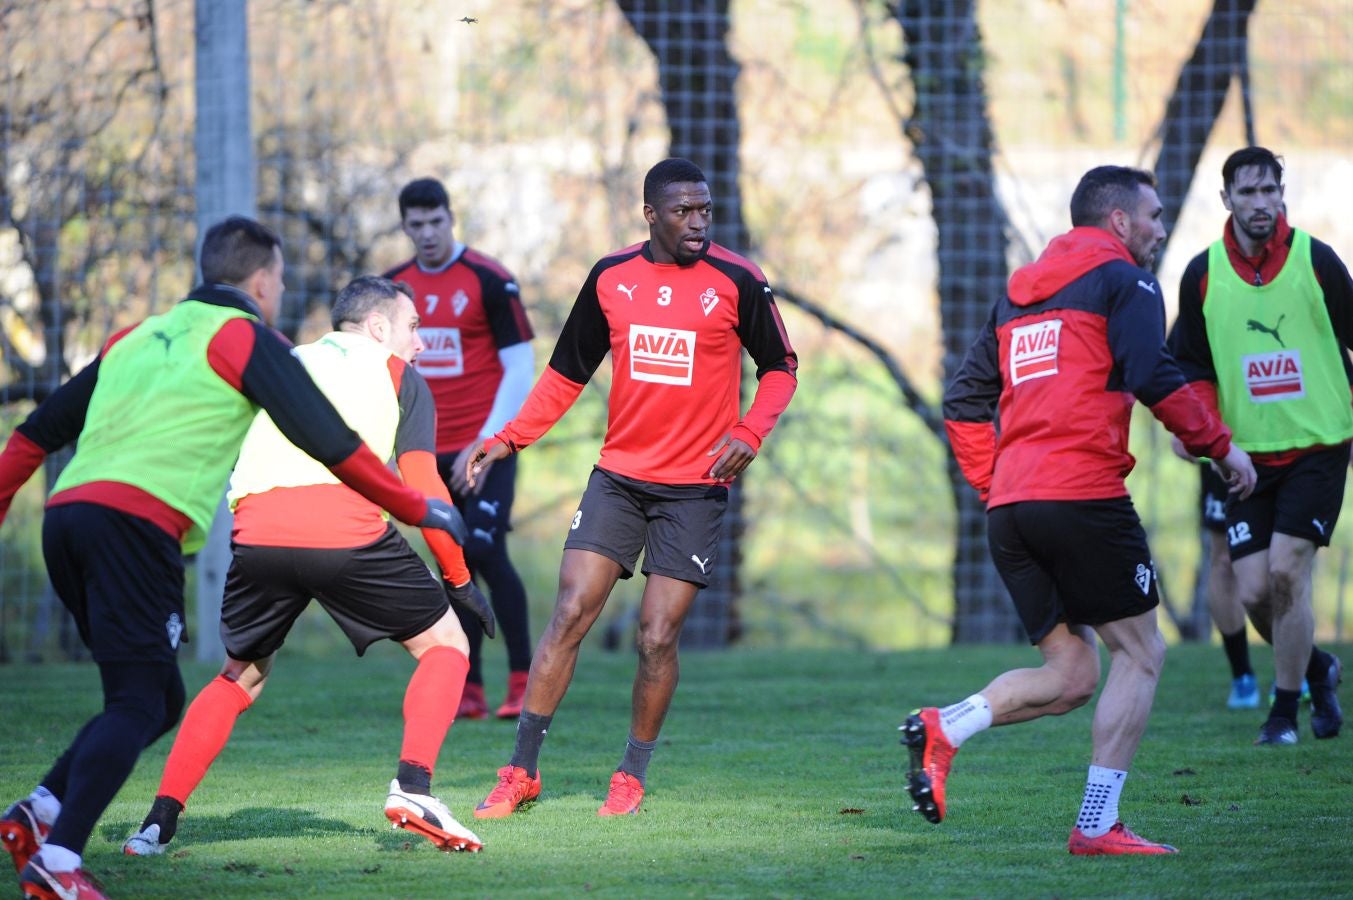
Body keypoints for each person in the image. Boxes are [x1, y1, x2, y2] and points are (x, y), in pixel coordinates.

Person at [0, 217, 467, 900]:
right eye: (277, 280)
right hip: (137, 526)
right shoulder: (248, 337)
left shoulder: (135, 335)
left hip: (66, 520)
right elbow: (330, 442)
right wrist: (417, 507)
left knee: (157, 698)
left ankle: (40, 814)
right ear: (261, 281)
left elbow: (34, 433)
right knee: (137, 703)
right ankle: (60, 860)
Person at [927, 165, 1256, 855]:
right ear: (1117, 223)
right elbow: (1151, 372)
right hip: (1080, 497)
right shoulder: (1126, 282)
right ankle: (1097, 824)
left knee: (1072, 675)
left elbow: (961, 402)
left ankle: (945, 726)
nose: (1161, 230)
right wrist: (1220, 448)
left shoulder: (1014, 300)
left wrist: (996, 486)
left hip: (1011, 511)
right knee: (1140, 653)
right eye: (1154, 216)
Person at [468, 158, 798, 818]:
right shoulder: (611, 276)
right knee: (567, 615)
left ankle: (630, 775)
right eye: (682, 212)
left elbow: (780, 369)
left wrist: (750, 432)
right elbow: (566, 372)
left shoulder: (738, 279)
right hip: (618, 478)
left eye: (704, 210)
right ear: (650, 215)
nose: (697, 222)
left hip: (694, 489)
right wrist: (508, 437)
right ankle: (520, 770)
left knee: (655, 637)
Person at [121, 275, 492, 858]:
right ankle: (414, 789)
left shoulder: (282, 358)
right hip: (341, 526)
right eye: (413, 328)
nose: (420, 344)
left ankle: (156, 824)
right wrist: (461, 580)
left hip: (255, 530)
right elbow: (424, 485)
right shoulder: (400, 376)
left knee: (240, 675)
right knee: (447, 644)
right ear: (377, 328)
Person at [1166, 146, 1347, 745]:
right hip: (1244, 459)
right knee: (1252, 592)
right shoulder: (1203, 274)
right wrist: (1192, 428)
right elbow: (1187, 364)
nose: (1262, 202)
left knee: (1287, 571)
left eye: (1270, 189)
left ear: (1282, 194)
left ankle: (1283, 711)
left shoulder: (1316, 261)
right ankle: (1318, 668)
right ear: (1226, 200)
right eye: (1248, 192)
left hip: (1318, 446)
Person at [385, 178, 536, 720]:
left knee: (489, 552)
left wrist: (486, 440)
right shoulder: (392, 289)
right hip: (426, 452)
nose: (427, 234)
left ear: (451, 218)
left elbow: (521, 364)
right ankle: (468, 686)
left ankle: (523, 680)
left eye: (436, 222)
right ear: (405, 227)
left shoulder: (489, 280)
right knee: (453, 558)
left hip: (487, 446)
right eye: (416, 225)